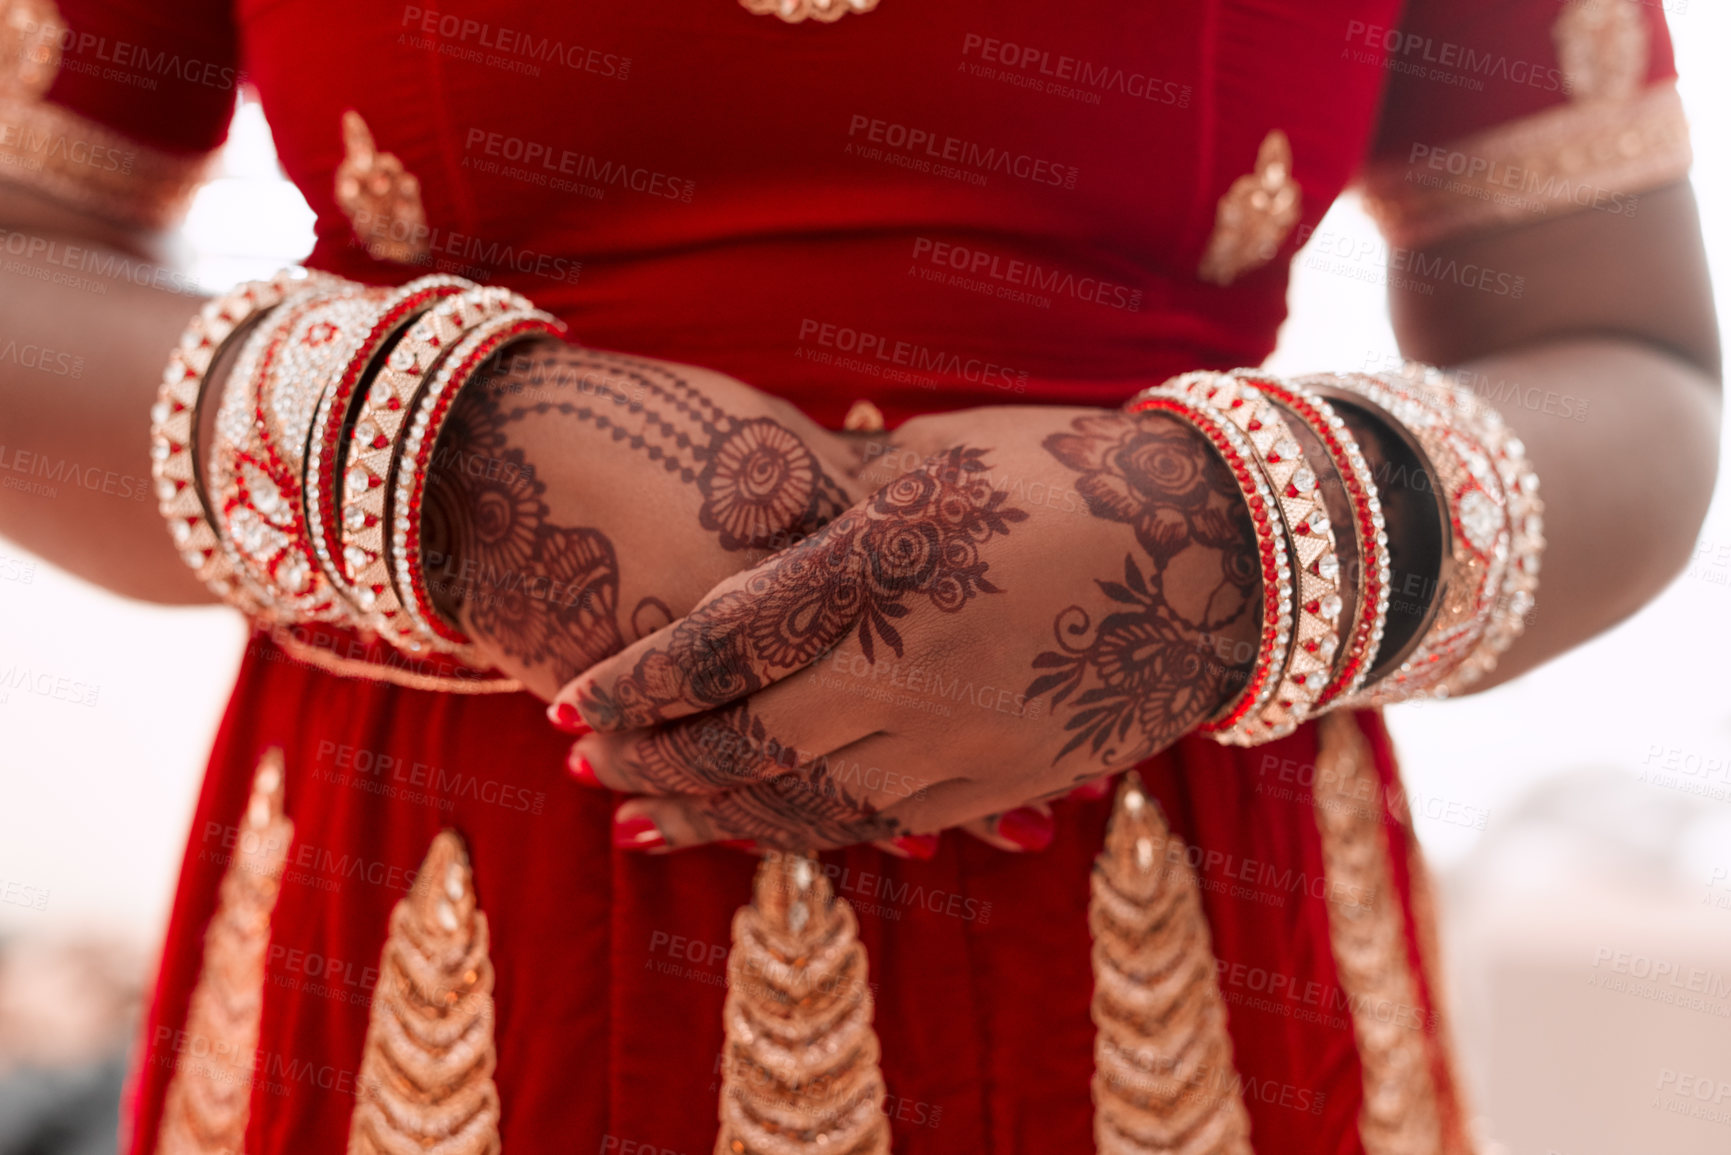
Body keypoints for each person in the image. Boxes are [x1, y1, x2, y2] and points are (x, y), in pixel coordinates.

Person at [0, 0, 1716, 1152]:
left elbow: (1625, 362)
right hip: (439, 948)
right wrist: (437, 459)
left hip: (1174, 936)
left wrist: (1239, 537)